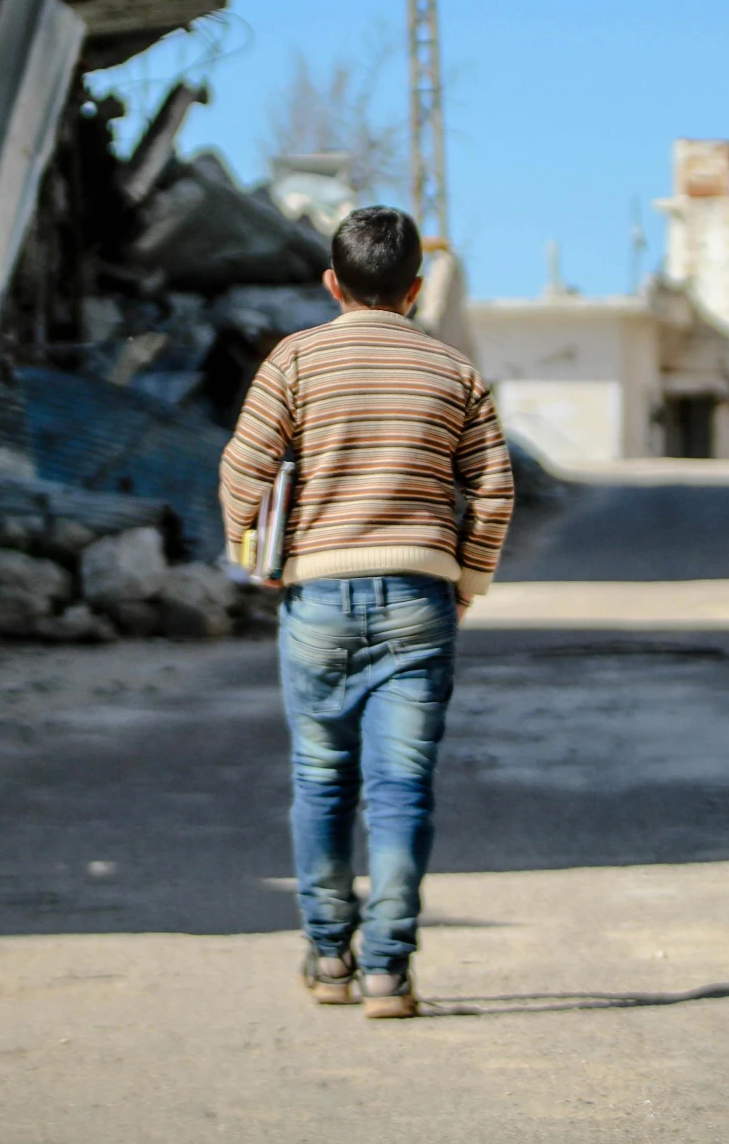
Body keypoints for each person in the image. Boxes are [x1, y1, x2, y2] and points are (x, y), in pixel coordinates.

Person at [218, 206, 514, 1019]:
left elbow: (243, 469)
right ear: (416, 289)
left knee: (320, 779)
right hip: (420, 594)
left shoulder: (295, 360)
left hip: (316, 593)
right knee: (402, 788)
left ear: (330, 282)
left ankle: (328, 956)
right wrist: (467, 578)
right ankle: (388, 967)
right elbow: (494, 487)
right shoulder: (453, 371)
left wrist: (257, 557)